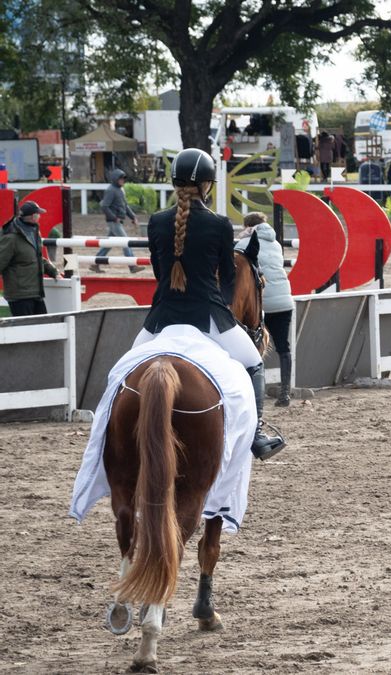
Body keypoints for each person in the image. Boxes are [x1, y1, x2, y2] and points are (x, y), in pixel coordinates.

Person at [133, 148, 286, 459]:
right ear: (207, 185)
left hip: (161, 318)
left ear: (174, 183)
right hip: (210, 317)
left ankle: (111, 435)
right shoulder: (219, 224)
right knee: (253, 363)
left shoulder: (157, 222)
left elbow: (160, 273)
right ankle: (256, 435)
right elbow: (229, 280)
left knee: (122, 374)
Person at [236, 212, 295, 407]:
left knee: (251, 350)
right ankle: (285, 393)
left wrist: (241, 239)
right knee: (283, 347)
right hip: (285, 299)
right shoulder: (276, 244)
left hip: (260, 303)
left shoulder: (244, 245)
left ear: (248, 227)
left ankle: (254, 394)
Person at [0, 201, 60, 316]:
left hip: (35, 292)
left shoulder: (34, 232)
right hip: (19, 295)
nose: (40, 216)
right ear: (33, 216)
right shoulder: (11, 238)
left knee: (43, 326)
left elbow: (36, 257)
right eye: (38, 214)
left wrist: (53, 271)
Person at [94, 168, 145, 274]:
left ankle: (95, 263)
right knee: (125, 242)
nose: (122, 180)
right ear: (115, 179)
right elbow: (104, 206)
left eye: (123, 179)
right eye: (120, 178)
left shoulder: (120, 190)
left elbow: (125, 206)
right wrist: (114, 218)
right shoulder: (110, 190)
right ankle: (132, 266)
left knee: (108, 245)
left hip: (117, 221)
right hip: (114, 222)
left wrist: (133, 217)